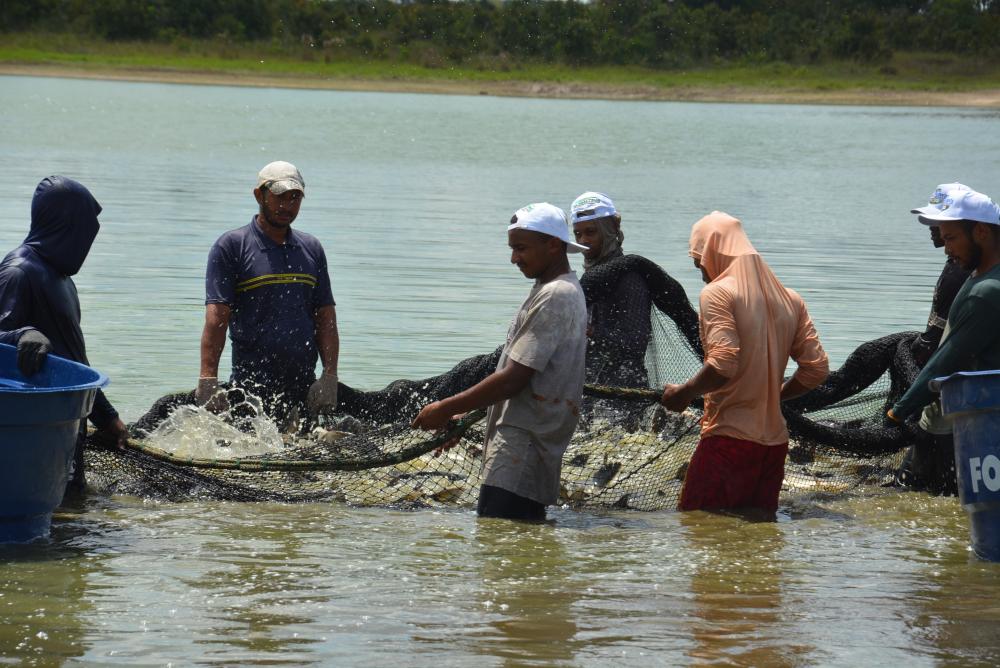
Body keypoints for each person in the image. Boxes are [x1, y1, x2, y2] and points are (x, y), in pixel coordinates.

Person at [412, 203, 588, 521]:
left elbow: (513, 379)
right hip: (524, 441)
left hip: (522, 445)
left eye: (521, 248)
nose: (514, 258)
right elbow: (525, 377)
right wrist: (467, 414)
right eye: (512, 249)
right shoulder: (551, 289)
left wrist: (446, 408)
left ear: (553, 245)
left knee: (499, 542)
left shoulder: (556, 295)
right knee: (513, 545)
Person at [659, 211, 829, 516]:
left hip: (729, 441)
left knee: (700, 529)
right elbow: (816, 369)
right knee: (760, 537)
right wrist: (773, 396)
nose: (703, 273)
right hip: (774, 447)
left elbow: (724, 363)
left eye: (700, 264)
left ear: (712, 253)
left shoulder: (718, 293)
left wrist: (684, 393)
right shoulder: (791, 299)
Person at [0, 175, 129, 494]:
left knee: (71, 508)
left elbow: (73, 362)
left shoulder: (61, 279)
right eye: (83, 233)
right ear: (64, 227)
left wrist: (106, 417)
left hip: (67, 423)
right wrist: (23, 334)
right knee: (57, 514)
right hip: (35, 431)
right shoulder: (19, 272)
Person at [196, 161, 339, 429]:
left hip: (303, 387)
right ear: (259, 195)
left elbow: (326, 317)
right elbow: (217, 318)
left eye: (295, 197)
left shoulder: (311, 249)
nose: (287, 205)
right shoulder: (231, 247)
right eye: (280, 197)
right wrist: (208, 379)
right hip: (251, 388)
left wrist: (329, 376)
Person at [888, 185, 1000, 443]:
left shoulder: (985, 292)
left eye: (950, 239)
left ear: (981, 232)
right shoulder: (979, 274)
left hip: (973, 420)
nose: (946, 249)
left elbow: (948, 360)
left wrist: (899, 411)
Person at [895, 183, 973, 495]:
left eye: (941, 229)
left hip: (949, 393)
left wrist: (901, 408)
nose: (932, 232)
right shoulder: (961, 266)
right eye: (931, 225)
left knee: (921, 483)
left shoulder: (965, 274)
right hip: (945, 391)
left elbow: (949, 342)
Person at [570, 192, 652, 387]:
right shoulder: (593, 277)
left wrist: (592, 332)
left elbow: (636, 343)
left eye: (591, 232)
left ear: (612, 229)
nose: (583, 241)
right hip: (591, 385)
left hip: (624, 391)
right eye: (578, 234)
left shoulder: (630, 278)